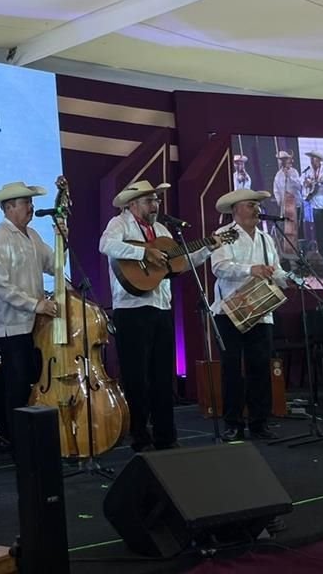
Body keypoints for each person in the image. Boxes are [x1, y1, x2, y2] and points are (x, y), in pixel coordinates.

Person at [100, 180, 220, 452]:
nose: (155, 205)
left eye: (156, 200)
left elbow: (180, 263)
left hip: (160, 308)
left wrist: (208, 248)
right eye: (149, 200)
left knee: (163, 375)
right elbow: (106, 245)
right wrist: (144, 251)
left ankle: (167, 435)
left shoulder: (163, 230)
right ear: (133, 204)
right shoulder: (118, 224)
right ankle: (140, 436)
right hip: (131, 309)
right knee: (136, 376)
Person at [0, 181, 59, 444]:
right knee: (17, 386)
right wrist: (35, 304)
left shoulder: (33, 236)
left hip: (34, 324)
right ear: (9, 207)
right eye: (26, 202)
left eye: (30, 201)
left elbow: (54, 265)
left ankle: (33, 439)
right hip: (12, 325)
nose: (31, 206)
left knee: (32, 380)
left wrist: (63, 238)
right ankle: (19, 444)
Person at [211, 190, 288, 440]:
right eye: (250, 204)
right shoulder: (223, 235)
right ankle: (233, 423)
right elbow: (219, 267)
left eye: (257, 205)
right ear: (236, 210)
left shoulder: (266, 238)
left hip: (260, 311)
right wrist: (250, 270)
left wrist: (288, 277)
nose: (256, 209)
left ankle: (259, 422)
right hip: (229, 311)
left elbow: (275, 270)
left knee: (260, 367)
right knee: (232, 369)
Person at [303, 150, 323, 271]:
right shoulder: (309, 172)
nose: (312, 161)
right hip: (315, 207)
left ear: (319, 160)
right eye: (311, 158)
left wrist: (321, 184)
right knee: (320, 237)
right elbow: (306, 188)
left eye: (314, 158)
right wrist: (308, 185)